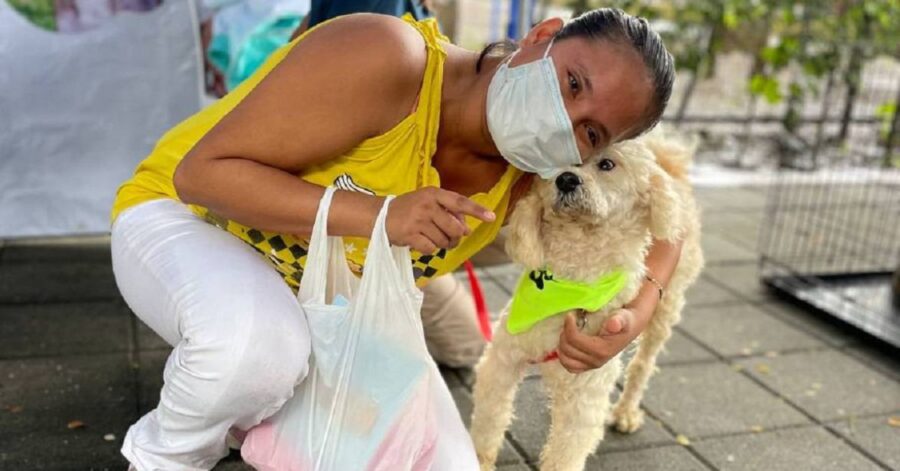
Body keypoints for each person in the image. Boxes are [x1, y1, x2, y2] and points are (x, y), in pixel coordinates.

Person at [110, 8, 680, 470]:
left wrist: (637, 310)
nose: (565, 117)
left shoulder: (539, 169)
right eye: (572, 82)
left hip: (331, 300)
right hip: (184, 220)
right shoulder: (387, 55)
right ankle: (169, 453)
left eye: (590, 132)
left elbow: (668, 212)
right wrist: (379, 213)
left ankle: (249, 409)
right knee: (255, 349)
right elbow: (201, 176)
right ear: (541, 37)